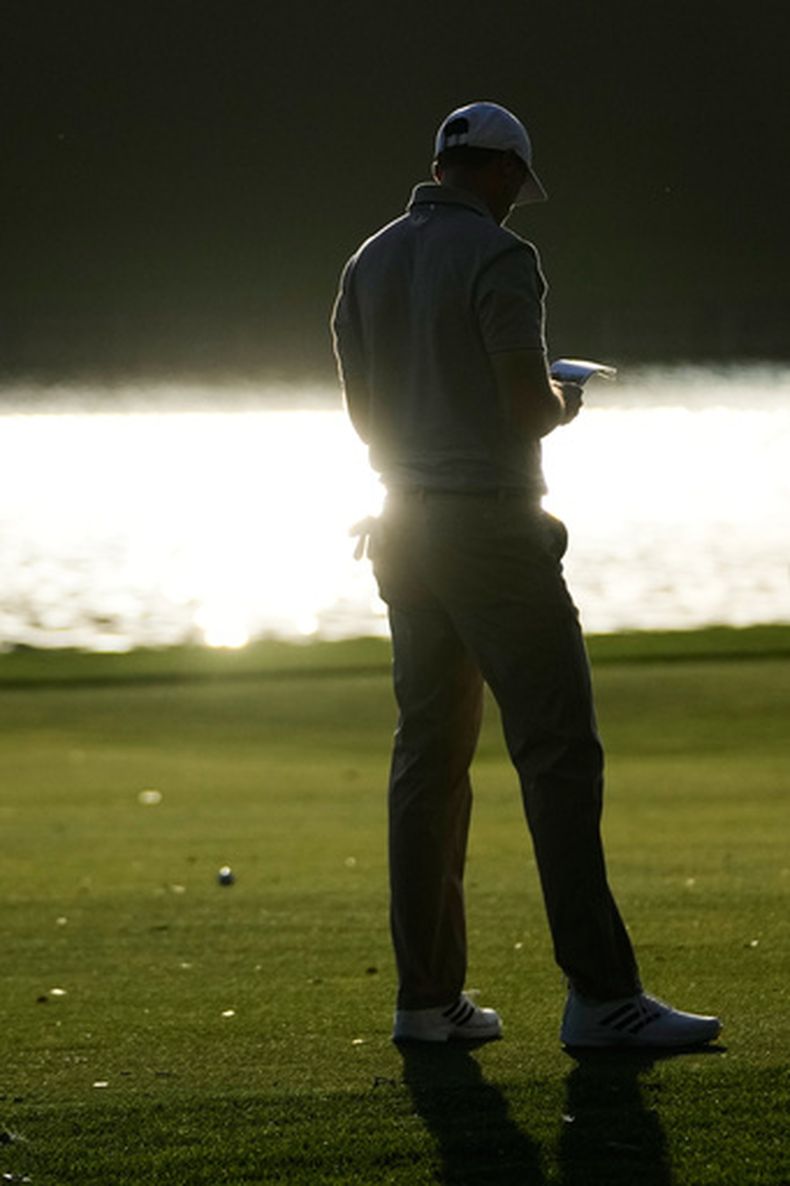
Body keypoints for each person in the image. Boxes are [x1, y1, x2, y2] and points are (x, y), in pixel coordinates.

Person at [331, 101, 721, 1048]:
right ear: (502, 174)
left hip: (401, 525)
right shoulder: (504, 259)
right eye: (518, 186)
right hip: (490, 532)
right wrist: (563, 397)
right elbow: (522, 406)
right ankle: (602, 997)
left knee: (429, 763)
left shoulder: (369, 260)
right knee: (557, 756)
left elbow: (365, 418)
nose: (518, 204)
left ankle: (426, 1001)